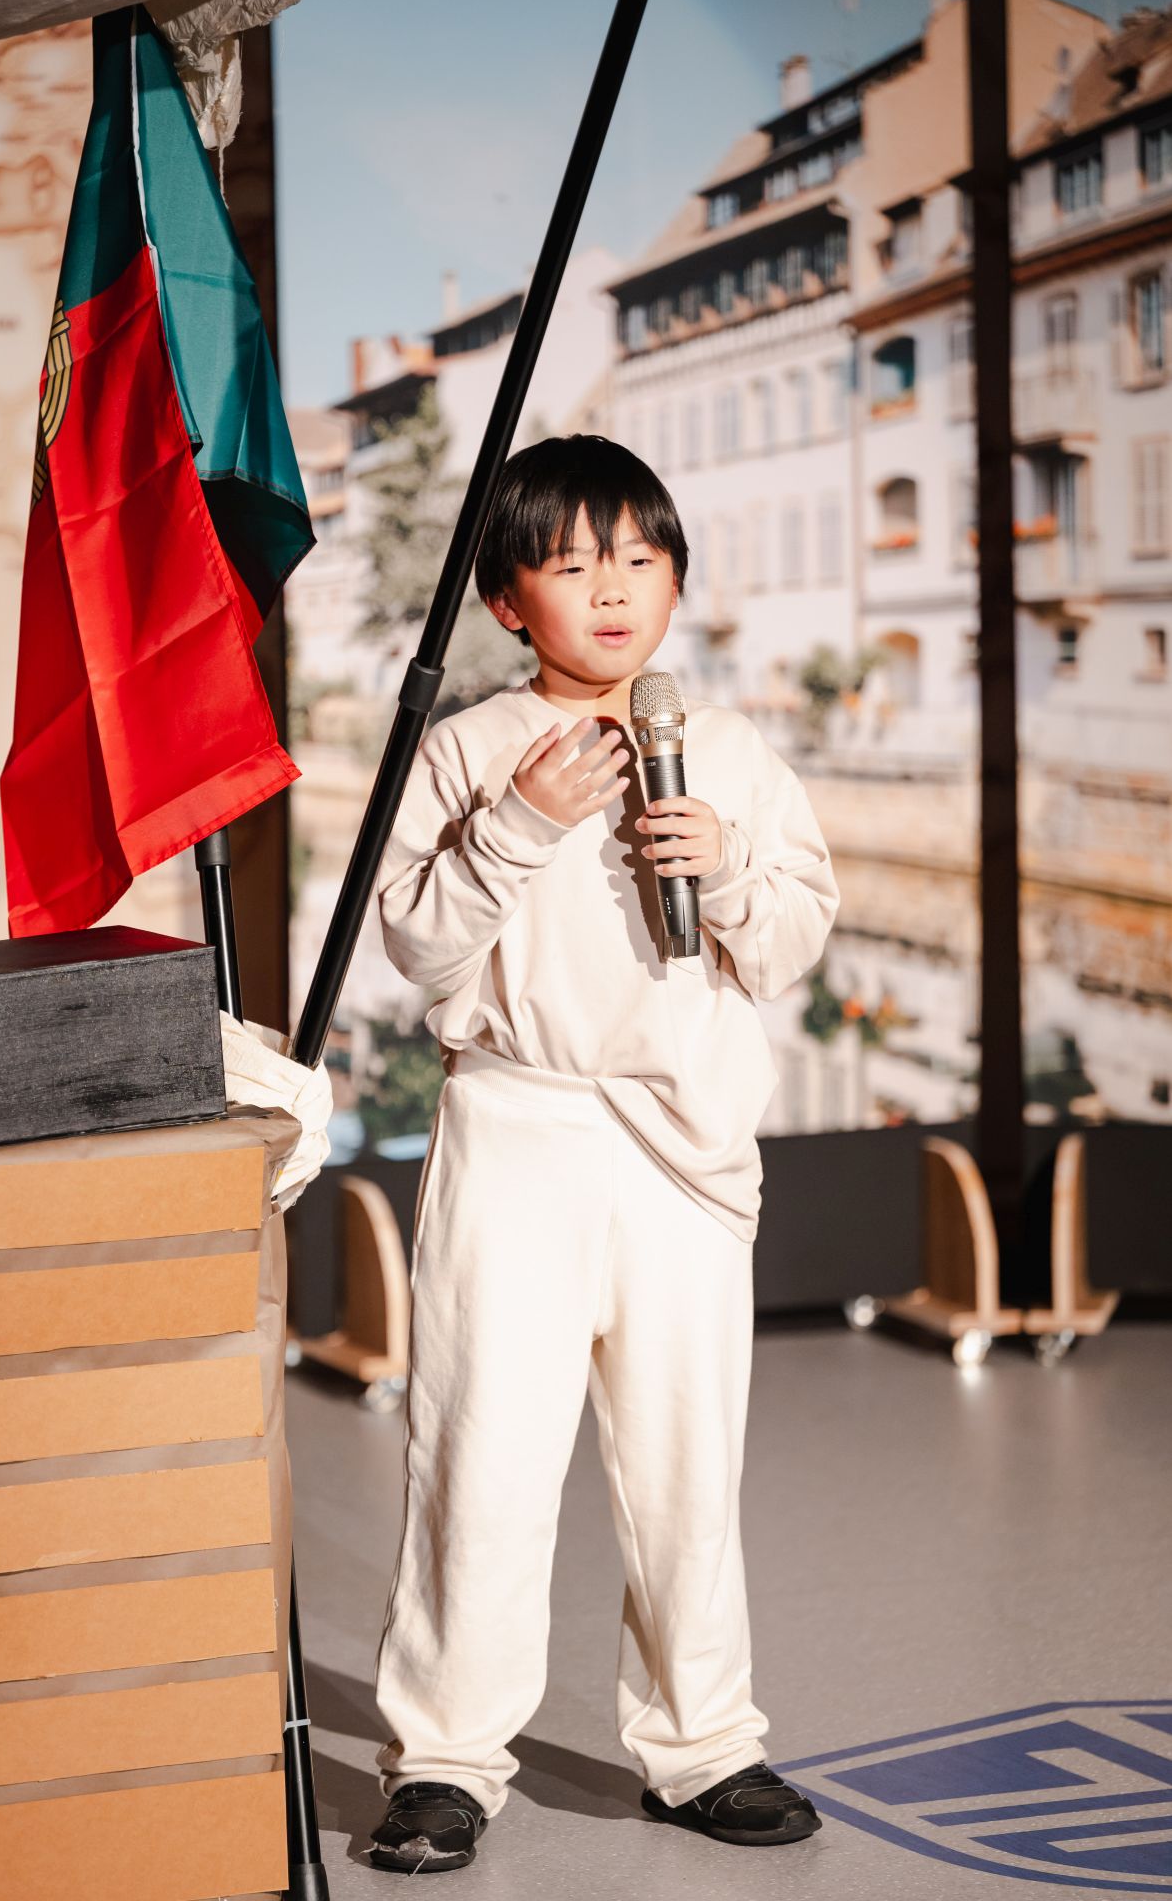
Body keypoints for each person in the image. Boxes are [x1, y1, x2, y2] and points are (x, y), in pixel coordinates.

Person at [365, 434, 839, 1875]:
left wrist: (728, 866)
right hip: (519, 1129)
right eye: (571, 565)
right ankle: (445, 1763)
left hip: (684, 1146)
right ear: (508, 600)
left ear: (676, 577)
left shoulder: (730, 751)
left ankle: (703, 1748)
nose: (613, 590)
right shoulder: (469, 749)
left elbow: (791, 942)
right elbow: (414, 942)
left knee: (686, 1465)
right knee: (483, 1459)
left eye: (639, 557)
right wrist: (521, 823)